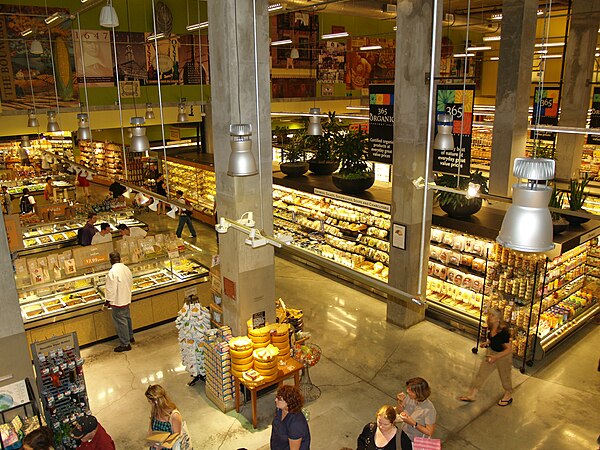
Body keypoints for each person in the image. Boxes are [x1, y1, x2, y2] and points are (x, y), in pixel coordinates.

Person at [459, 308, 513, 406]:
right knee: (481, 374)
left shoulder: (504, 332)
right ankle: (472, 395)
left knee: (505, 377)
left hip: (503, 356)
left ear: (498, 319)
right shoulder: (491, 326)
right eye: (490, 315)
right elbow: (493, 339)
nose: (490, 317)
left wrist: (496, 357)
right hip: (491, 352)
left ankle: (508, 394)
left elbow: (508, 349)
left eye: (492, 315)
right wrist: (487, 342)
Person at [395, 377, 436, 450]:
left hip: (415, 441)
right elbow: (399, 411)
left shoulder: (429, 410)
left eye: (410, 390)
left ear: (418, 393)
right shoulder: (409, 398)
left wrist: (413, 423)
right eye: (408, 388)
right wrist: (400, 402)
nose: (407, 391)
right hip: (403, 434)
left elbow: (429, 432)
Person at [105, 251, 134, 352]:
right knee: (127, 318)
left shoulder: (112, 272)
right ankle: (130, 337)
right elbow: (131, 281)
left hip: (118, 301)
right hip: (126, 297)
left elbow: (110, 289)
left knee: (121, 322)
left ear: (111, 260)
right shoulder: (125, 268)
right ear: (120, 259)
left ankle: (125, 344)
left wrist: (107, 301)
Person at [270, 384, 310, 450]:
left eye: (279, 399)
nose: (275, 400)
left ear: (289, 402)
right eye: (277, 397)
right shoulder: (280, 409)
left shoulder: (296, 424)